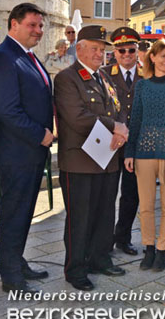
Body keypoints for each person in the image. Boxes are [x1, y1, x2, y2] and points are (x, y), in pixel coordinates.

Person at [0, 3, 55, 293]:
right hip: (16, 152)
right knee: (14, 212)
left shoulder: (26, 55)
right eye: (32, 25)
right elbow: (7, 111)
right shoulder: (4, 57)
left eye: (41, 26)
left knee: (24, 211)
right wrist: (41, 134)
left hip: (29, 152)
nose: (39, 31)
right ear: (13, 24)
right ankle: (11, 275)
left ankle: (16, 260)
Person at [54, 25, 129, 291]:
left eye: (102, 49)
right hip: (80, 161)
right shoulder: (67, 79)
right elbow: (76, 118)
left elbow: (118, 110)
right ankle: (75, 269)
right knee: (79, 218)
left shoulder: (104, 78)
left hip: (107, 158)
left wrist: (121, 128)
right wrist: (115, 126)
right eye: (95, 48)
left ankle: (99, 258)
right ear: (80, 48)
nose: (100, 54)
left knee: (104, 213)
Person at [124, 39, 165, 272]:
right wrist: (130, 152)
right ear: (152, 57)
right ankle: (149, 249)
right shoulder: (142, 86)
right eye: (162, 56)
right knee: (146, 205)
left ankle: (162, 251)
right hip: (144, 153)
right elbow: (136, 121)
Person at [102, 26, 142, 255]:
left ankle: (123, 237)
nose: (126, 55)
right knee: (107, 194)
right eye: (122, 51)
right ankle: (104, 239)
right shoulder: (105, 74)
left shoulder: (148, 74)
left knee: (131, 195)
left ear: (137, 51)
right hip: (111, 144)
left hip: (135, 145)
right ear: (114, 53)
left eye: (131, 50)